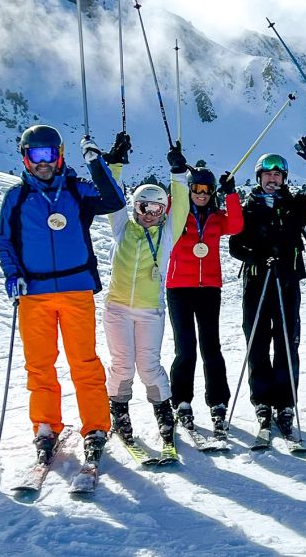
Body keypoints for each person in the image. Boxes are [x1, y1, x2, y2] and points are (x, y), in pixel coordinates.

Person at [0, 125, 126, 465]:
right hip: (34, 294)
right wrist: (13, 275)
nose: (43, 162)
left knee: (84, 363)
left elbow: (114, 200)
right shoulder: (16, 197)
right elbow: (5, 241)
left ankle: (96, 427)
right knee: (39, 365)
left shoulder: (76, 190)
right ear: (25, 157)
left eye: (49, 154)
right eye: (36, 155)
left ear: (60, 156)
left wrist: (96, 162)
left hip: (75, 289)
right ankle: (45, 427)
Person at [228, 136, 306, 443]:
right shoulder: (247, 208)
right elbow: (235, 246)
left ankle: (285, 405)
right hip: (257, 281)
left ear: (284, 178)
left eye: (278, 174)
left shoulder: (296, 206)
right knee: (257, 343)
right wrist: (257, 255)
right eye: (267, 174)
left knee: (286, 343)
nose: (272, 178)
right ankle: (262, 402)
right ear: (259, 177)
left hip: (286, 283)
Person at [102, 140, 192, 454]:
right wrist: (114, 164)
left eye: (156, 208)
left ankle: (164, 416)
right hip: (116, 309)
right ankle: (119, 413)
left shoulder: (166, 236)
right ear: (136, 207)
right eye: (144, 207)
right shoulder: (122, 229)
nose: (150, 214)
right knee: (122, 366)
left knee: (149, 366)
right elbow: (112, 198)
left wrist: (178, 175)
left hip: (150, 310)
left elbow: (181, 210)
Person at [166, 160, 243, 437]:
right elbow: (172, 197)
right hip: (179, 288)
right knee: (185, 347)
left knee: (211, 346)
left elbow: (236, 226)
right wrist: (176, 170)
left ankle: (218, 401)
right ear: (190, 190)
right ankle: (182, 401)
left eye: (207, 189)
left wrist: (232, 194)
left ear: (213, 192)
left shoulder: (217, 217)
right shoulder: (178, 213)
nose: (201, 193)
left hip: (209, 288)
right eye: (197, 188)